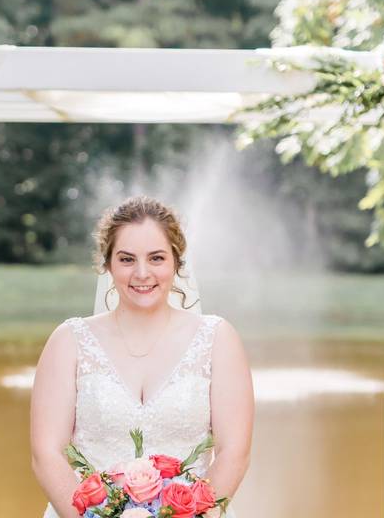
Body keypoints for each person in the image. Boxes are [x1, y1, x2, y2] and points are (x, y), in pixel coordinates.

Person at [30, 196, 254, 517]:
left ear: (176, 262)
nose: (142, 273)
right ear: (107, 265)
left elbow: (234, 452)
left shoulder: (217, 339)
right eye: (126, 259)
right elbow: (46, 454)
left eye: (156, 258)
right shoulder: (69, 342)